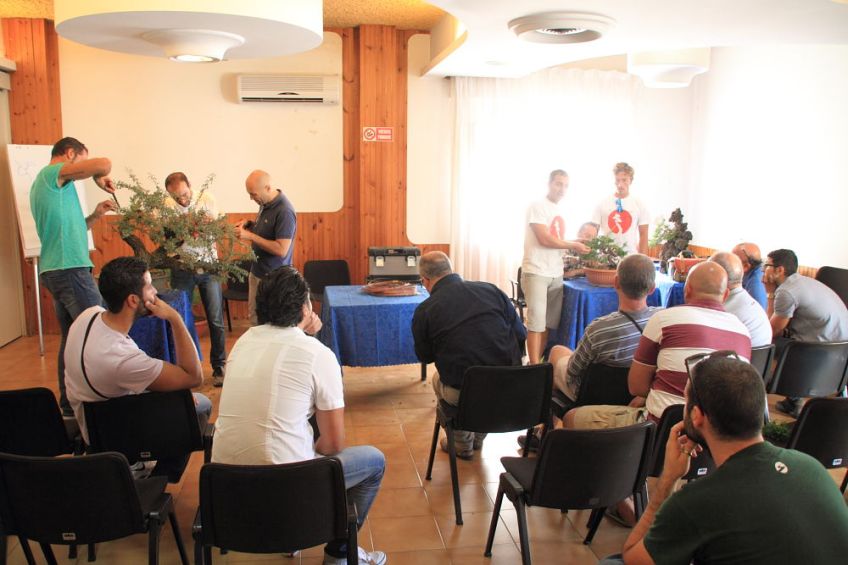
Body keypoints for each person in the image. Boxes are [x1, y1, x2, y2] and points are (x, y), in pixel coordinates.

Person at [211, 266, 386, 565]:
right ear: (305, 308)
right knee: (374, 462)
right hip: (289, 488)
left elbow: (282, 357)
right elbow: (333, 445)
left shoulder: (241, 343)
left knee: (297, 414)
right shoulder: (318, 354)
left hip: (227, 488)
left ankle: (290, 535)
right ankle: (338, 553)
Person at [617, 353, 848, 565]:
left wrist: (667, 480)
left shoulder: (697, 502)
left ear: (696, 416)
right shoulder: (810, 466)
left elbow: (633, 558)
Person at [566, 262, 752, 430]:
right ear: (725, 294)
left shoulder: (664, 320)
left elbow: (636, 388)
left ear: (687, 289)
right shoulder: (743, 332)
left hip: (657, 425)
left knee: (571, 417)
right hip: (713, 432)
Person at [63, 256, 209, 446]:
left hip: (95, 418)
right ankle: (161, 463)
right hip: (115, 433)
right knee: (200, 404)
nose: (155, 292)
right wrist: (175, 318)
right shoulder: (122, 359)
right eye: (149, 286)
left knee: (179, 396)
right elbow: (193, 377)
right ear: (133, 300)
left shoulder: (87, 316)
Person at [30, 137, 118, 416]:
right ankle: (102, 406)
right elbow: (104, 164)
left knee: (72, 340)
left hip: (58, 269)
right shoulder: (52, 174)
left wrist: (96, 214)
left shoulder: (55, 187)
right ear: (70, 154)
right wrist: (98, 177)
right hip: (69, 270)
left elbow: (77, 228)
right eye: (81, 160)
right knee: (98, 332)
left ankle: (68, 406)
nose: (83, 167)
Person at [412, 251, 526, 459]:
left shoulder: (425, 310)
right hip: (512, 386)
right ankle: (478, 435)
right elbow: (520, 334)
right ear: (451, 270)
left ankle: (462, 443)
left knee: (438, 380)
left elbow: (425, 356)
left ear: (425, 281)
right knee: (484, 380)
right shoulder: (491, 290)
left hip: (467, 391)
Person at [763, 248, 848, 417]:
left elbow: (771, 330)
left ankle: (792, 398)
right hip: (841, 349)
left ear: (779, 270)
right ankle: (794, 399)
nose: (763, 271)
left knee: (767, 343)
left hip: (818, 348)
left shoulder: (786, 291)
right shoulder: (806, 282)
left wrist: (770, 293)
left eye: (766, 266)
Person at [164, 172, 228, 386]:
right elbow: (168, 242)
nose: (182, 200)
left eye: (184, 194)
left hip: (209, 267)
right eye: (176, 197)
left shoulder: (207, 199)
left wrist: (208, 225)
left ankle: (219, 366)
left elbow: (219, 229)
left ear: (190, 185)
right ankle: (189, 368)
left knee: (216, 319)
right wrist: (185, 228)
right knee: (181, 319)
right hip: (182, 268)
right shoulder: (165, 207)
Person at [521, 169, 589, 364]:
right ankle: (534, 367)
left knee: (548, 324)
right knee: (536, 323)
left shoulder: (560, 210)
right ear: (549, 184)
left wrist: (575, 241)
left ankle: (539, 363)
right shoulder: (537, 206)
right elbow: (544, 239)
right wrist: (573, 245)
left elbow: (556, 239)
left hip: (556, 272)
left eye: (566, 185)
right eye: (558, 184)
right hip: (536, 270)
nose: (562, 189)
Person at [235, 170, 297, 325]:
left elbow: (281, 250)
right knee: (255, 320)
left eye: (253, 194)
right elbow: (267, 232)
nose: (251, 198)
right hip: (257, 272)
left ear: (267, 188)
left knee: (272, 324)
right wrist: (250, 224)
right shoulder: (265, 203)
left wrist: (250, 236)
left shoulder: (285, 211)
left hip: (274, 279)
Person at [709, 251, 772, 347]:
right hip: (759, 356)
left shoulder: (724, 311)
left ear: (717, 278)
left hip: (739, 355)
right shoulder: (746, 299)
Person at [591, 162, 650, 255]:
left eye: (624, 180)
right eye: (617, 180)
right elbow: (593, 233)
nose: (620, 184)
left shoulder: (639, 204)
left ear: (631, 180)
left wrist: (643, 260)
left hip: (631, 256)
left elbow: (644, 235)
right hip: (606, 256)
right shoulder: (602, 203)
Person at [732, 242, 768, 309]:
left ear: (745, 266)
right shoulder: (749, 274)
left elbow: (758, 313)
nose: (728, 263)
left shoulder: (755, 286)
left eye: (732, 260)